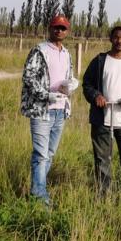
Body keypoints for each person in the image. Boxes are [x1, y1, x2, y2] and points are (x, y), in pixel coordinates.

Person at [20, 15, 79, 206]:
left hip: (60, 110)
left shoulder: (67, 54)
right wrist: (46, 95)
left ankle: (37, 190)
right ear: (49, 28)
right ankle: (40, 199)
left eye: (62, 28)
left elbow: (67, 77)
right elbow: (29, 78)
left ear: (67, 31)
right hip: (42, 110)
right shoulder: (40, 50)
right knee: (41, 154)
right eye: (56, 27)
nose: (59, 31)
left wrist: (71, 84)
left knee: (50, 154)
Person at [82, 25, 121, 194]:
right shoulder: (100, 61)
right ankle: (104, 194)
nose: (119, 41)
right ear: (111, 39)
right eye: (116, 37)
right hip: (101, 119)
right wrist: (96, 96)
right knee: (102, 159)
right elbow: (87, 83)